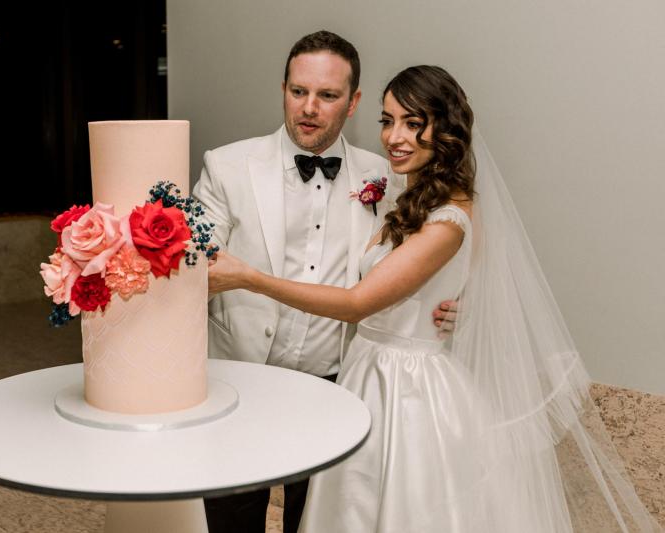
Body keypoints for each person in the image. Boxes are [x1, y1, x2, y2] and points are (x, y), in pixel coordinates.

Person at [208, 65, 662, 532]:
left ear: (444, 129)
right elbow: (453, 285)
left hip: (409, 393)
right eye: (387, 121)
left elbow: (359, 302)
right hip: (365, 375)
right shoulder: (406, 197)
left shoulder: (448, 221)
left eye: (413, 122)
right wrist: (456, 305)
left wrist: (249, 277)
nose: (395, 137)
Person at [193, 31, 455, 533]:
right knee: (228, 521)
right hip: (239, 380)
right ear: (284, 88)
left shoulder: (389, 174)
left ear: (354, 102)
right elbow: (194, 264)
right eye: (298, 92)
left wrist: (453, 300)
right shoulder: (226, 166)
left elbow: (427, 249)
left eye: (328, 96)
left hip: (335, 388)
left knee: (317, 522)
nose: (309, 108)